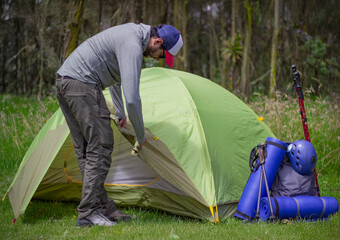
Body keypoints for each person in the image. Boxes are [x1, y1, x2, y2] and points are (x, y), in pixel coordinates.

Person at [55, 23, 183, 227]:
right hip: (82, 84)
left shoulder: (131, 35)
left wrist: (120, 111)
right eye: (161, 55)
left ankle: (102, 208)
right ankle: (88, 213)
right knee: (101, 146)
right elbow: (133, 98)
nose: (157, 59)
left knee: (88, 150)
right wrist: (140, 136)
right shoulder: (132, 44)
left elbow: (115, 76)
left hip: (65, 83)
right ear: (157, 41)